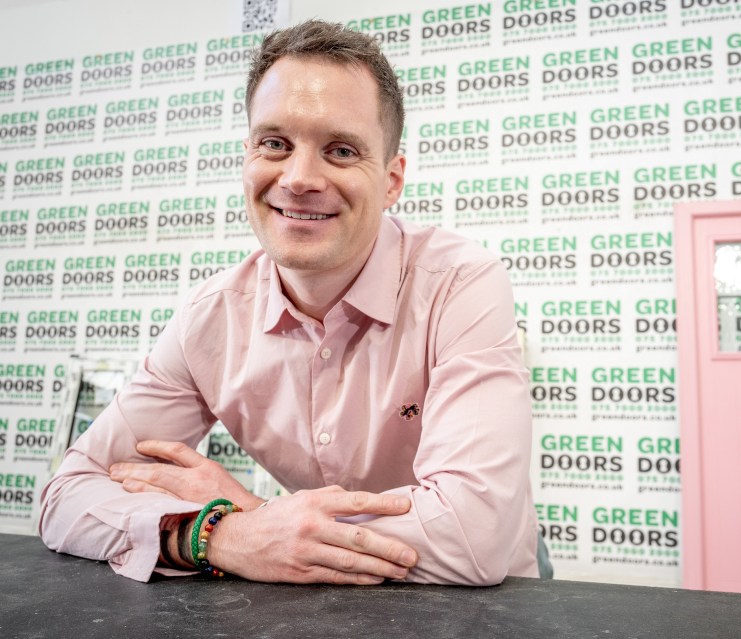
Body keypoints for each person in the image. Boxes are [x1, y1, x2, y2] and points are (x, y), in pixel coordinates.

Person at [39, 19, 542, 586]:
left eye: (341, 149)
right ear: (247, 155)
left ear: (392, 178)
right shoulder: (209, 318)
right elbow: (66, 495)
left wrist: (257, 519)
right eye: (275, 143)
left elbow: (472, 539)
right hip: (314, 601)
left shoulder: (461, 283)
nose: (300, 178)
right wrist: (216, 535)